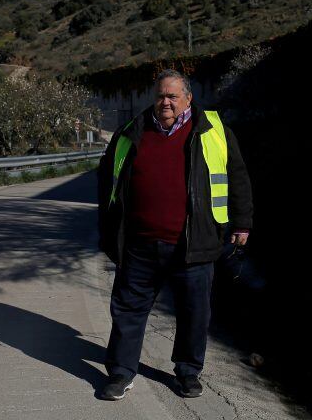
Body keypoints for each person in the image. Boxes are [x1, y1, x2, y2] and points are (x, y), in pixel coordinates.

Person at [96, 69, 253, 400]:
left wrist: (242, 223)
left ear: (188, 99)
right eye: (160, 96)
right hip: (139, 245)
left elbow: (237, 176)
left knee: (194, 312)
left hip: (193, 244)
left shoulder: (213, 131)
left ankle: (187, 372)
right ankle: (121, 373)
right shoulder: (130, 132)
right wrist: (108, 230)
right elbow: (106, 185)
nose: (165, 102)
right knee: (127, 310)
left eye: (172, 96)